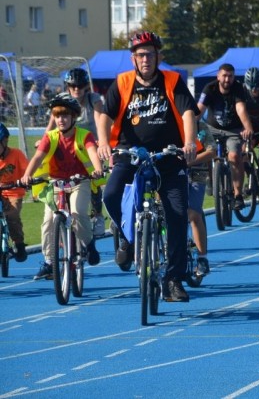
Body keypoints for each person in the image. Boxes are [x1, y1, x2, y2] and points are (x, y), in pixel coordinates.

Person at [96, 31, 200, 303]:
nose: (145, 59)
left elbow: (188, 112)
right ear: (133, 58)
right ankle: (127, 238)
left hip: (168, 157)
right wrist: (105, 142)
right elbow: (104, 115)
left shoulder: (173, 81)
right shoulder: (122, 83)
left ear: (159, 57)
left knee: (177, 214)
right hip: (130, 155)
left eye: (150, 54)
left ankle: (174, 280)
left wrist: (189, 143)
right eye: (140, 54)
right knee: (110, 195)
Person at [21, 94, 103, 280]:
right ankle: (50, 262)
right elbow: (37, 158)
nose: (61, 119)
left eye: (65, 115)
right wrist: (26, 175)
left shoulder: (84, 135)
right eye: (57, 115)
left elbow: (92, 152)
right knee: (48, 221)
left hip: (79, 182)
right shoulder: (50, 137)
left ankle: (88, 244)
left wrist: (97, 169)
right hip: (55, 185)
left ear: (74, 117)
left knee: (77, 212)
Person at [46, 68, 107, 237]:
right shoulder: (62, 102)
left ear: (86, 86)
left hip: (89, 145)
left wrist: (101, 142)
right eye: (72, 86)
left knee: (95, 178)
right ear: (68, 86)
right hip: (68, 147)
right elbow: (51, 126)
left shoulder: (93, 100)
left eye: (80, 86)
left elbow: (99, 120)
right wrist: (44, 140)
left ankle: (97, 214)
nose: (76, 89)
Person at [197, 64, 254, 209]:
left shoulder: (238, 88)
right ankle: (210, 178)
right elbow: (199, 109)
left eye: (230, 76)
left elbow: (240, 108)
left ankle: (238, 194)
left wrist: (247, 127)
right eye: (224, 76)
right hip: (212, 128)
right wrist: (190, 125)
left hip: (233, 130)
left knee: (235, 156)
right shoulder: (209, 88)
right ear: (218, 76)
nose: (227, 79)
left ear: (234, 77)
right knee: (203, 149)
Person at [187, 120, 215, 278]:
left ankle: (202, 258)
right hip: (172, 173)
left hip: (196, 174)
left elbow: (211, 151)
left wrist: (190, 161)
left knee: (193, 212)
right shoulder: (167, 121)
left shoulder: (200, 126)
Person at [0, 123, 29, 263]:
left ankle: (19, 244)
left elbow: (27, 170)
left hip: (14, 192)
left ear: (5, 142)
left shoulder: (16, 154)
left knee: (12, 216)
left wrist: (26, 180)